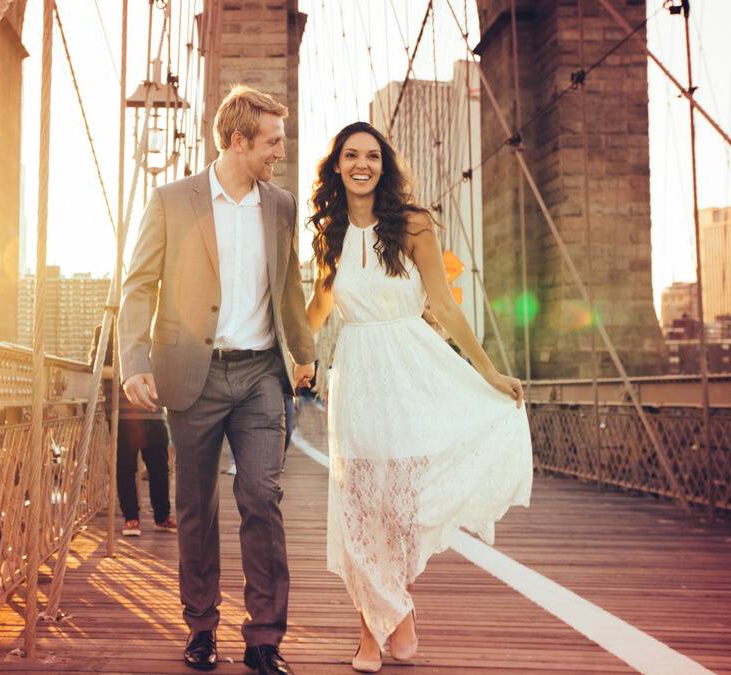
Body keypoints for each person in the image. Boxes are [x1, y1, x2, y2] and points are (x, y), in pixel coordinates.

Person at [303, 122, 533, 672]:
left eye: (373, 156)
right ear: (336, 164)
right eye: (351, 155)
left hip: (412, 371)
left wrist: (489, 373)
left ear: (384, 166)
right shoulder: (330, 233)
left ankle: (395, 616)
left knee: (397, 511)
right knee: (358, 510)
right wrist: (289, 352)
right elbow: (317, 309)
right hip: (356, 378)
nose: (363, 164)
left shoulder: (412, 224)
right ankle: (372, 635)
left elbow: (447, 308)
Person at [118, 85, 315, 675]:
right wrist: (134, 361)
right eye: (272, 141)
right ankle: (201, 628)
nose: (280, 151)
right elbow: (138, 286)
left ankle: (263, 639)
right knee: (196, 507)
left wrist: (303, 353)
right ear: (238, 140)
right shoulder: (172, 200)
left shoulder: (280, 205)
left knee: (262, 497)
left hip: (259, 374)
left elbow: (290, 286)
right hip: (192, 374)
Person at [89, 324, 176, 537]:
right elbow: (97, 368)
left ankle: (162, 517)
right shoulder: (106, 329)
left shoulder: (155, 326)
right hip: (121, 413)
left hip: (152, 411)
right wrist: (130, 373)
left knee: (159, 467)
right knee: (125, 468)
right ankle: (131, 519)